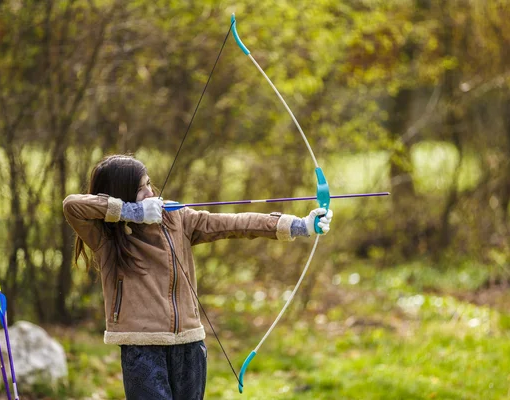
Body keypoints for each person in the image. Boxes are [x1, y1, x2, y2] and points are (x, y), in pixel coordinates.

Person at [62, 154, 332, 400]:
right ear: (120, 194)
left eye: (149, 184)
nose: (150, 192)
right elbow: (72, 206)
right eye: (139, 188)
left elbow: (232, 224)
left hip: (190, 344)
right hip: (142, 348)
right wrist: (131, 212)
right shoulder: (106, 236)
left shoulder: (177, 218)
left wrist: (299, 225)